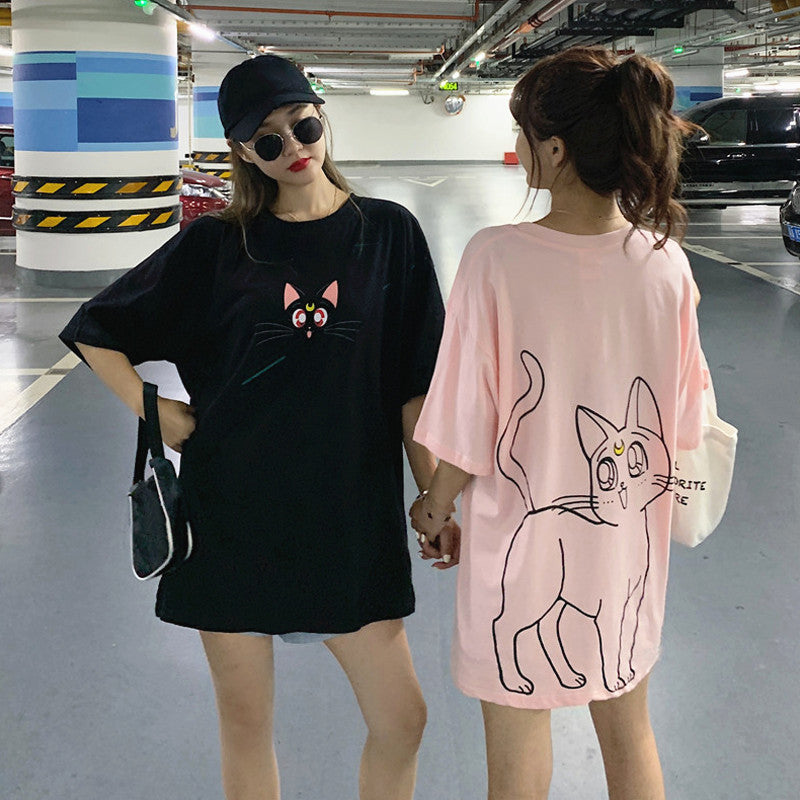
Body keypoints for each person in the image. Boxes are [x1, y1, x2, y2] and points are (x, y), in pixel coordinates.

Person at [59, 54, 451, 800]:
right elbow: (95, 328)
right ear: (243, 151)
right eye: (268, 140)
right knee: (245, 727)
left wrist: (433, 495)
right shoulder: (218, 245)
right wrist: (152, 407)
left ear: (321, 115)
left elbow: (415, 385)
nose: (293, 147)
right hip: (233, 516)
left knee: (402, 720)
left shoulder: (389, 233)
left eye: (303, 125)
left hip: (349, 518)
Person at [409, 46, 707, 800]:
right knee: (630, 733)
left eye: (523, 131)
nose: (518, 146)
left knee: (517, 737)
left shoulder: (495, 259)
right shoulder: (665, 264)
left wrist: (435, 507)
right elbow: (682, 420)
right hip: (630, 546)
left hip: (523, 540)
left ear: (556, 148)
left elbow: (470, 421)